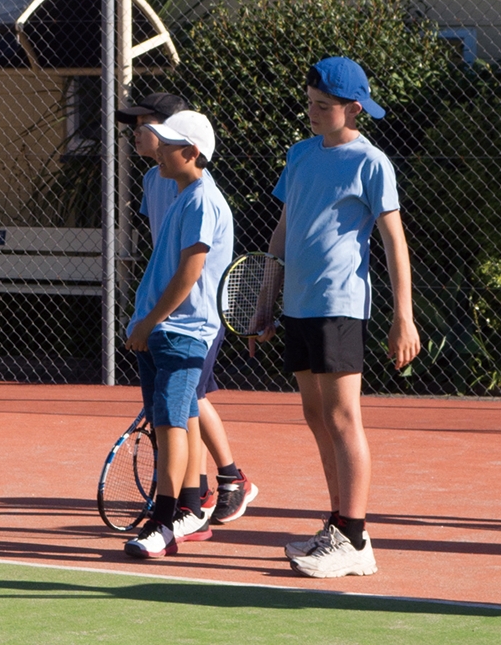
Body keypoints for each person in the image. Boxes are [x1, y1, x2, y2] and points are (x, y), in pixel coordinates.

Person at [251, 57, 420, 578]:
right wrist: (265, 298)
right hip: (297, 305)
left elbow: (394, 242)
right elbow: (283, 229)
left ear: (353, 109)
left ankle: (356, 537)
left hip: (340, 304)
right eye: (310, 104)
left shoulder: (371, 162)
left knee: (344, 418)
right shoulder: (299, 155)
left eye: (324, 107)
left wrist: (404, 317)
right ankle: (338, 525)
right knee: (315, 417)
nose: (313, 113)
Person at [119, 92, 259, 529]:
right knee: (183, 408)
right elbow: (165, 249)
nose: (140, 134)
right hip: (165, 316)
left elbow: (190, 269)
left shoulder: (200, 196)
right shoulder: (158, 182)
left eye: (147, 125)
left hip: (187, 320)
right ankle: (190, 498)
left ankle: (201, 496)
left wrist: (152, 318)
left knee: (183, 407)